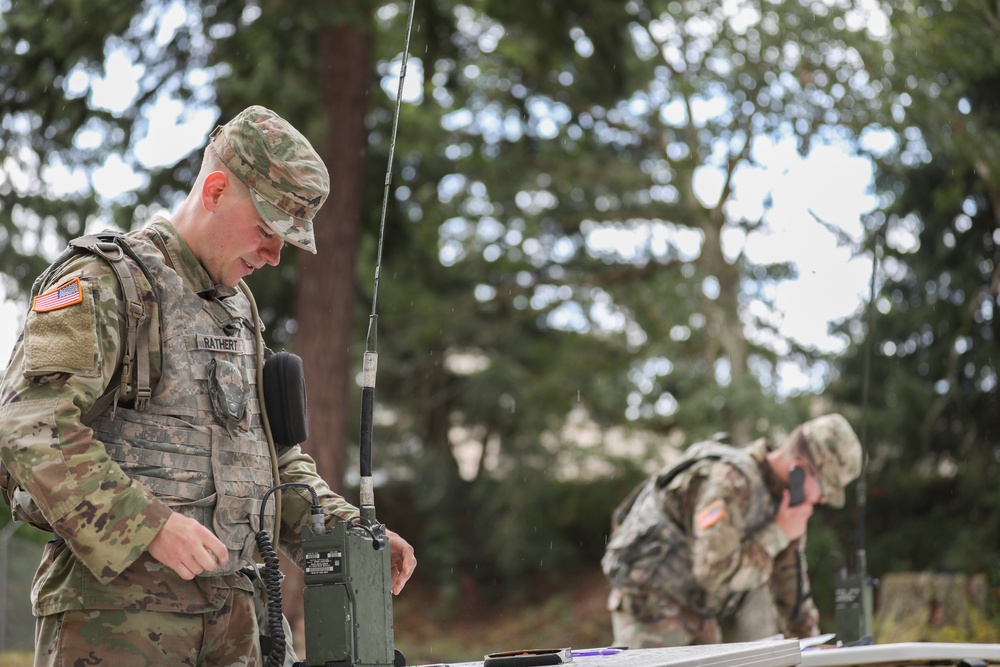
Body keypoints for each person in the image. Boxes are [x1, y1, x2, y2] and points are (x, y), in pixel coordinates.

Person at [0, 105, 417, 666]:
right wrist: (148, 526)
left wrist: (350, 535)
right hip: (120, 621)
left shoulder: (238, 308)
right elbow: (31, 425)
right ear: (216, 190)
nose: (273, 257)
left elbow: (271, 461)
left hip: (240, 622)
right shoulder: (103, 281)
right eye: (267, 232)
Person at [601, 413, 862, 648]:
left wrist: (809, 644)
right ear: (799, 471)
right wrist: (778, 533)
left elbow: (788, 579)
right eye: (825, 488)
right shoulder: (729, 483)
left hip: (696, 609)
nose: (823, 499)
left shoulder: (784, 506)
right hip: (650, 603)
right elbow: (713, 572)